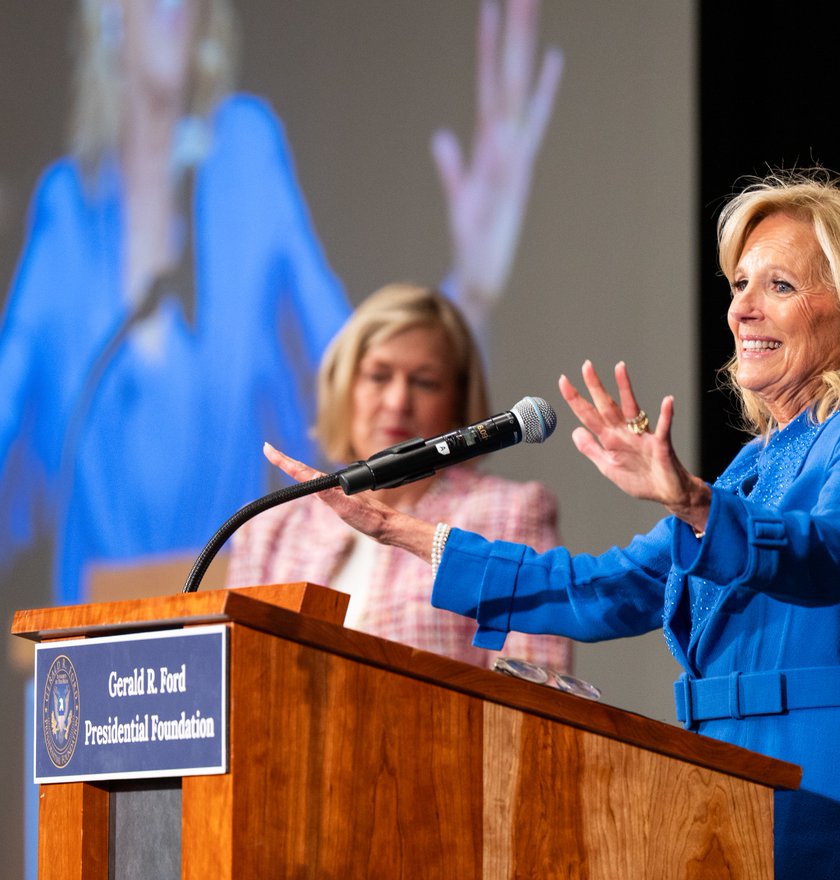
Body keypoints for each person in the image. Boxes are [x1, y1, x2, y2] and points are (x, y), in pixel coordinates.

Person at [262, 169, 840, 878]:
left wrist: (695, 506)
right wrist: (403, 532)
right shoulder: (751, 467)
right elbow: (607, 589)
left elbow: (835, 553)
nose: (743, 310)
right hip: (728, 787)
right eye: (739, 285)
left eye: (778, 286)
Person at [0, 0, 562, 609]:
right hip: (86, 642)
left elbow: (353, 373)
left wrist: (471, 288)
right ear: (106, 15)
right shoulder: (63, 209)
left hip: (231, 606)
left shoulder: (245, 155)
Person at [227, 283, 573, 672]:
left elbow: (537, 686)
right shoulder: (270, 528)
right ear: (344, 387)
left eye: (424, 382)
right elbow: (235, 677)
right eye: (378, 376)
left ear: (459, 401)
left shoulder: (508, 514)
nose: (397, 402)